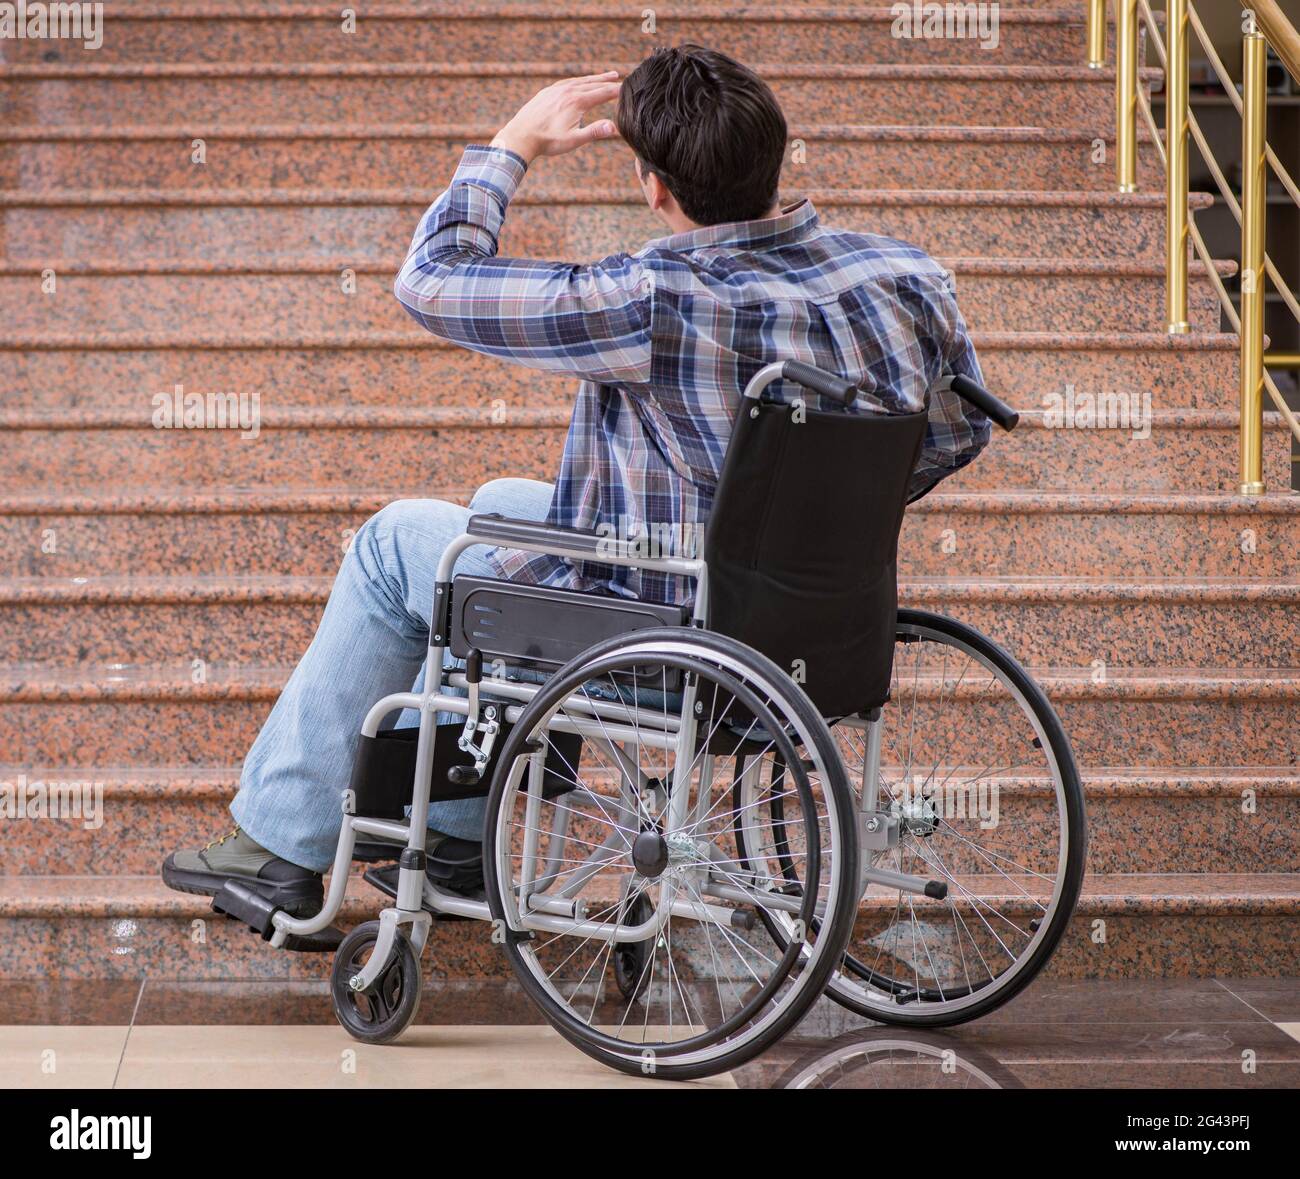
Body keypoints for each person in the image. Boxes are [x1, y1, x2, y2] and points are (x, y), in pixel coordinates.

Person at [162, 44, 989, 918]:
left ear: (654, 187)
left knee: (390, 544)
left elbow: (431, 280)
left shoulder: (652, 297)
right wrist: (804, 530)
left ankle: (281, 841)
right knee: (493, 506)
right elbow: (959, 427)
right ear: (776, 155)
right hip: (817, 623)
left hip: (671, 635)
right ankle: (452, 831)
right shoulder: (901, 277)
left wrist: (509, 146)